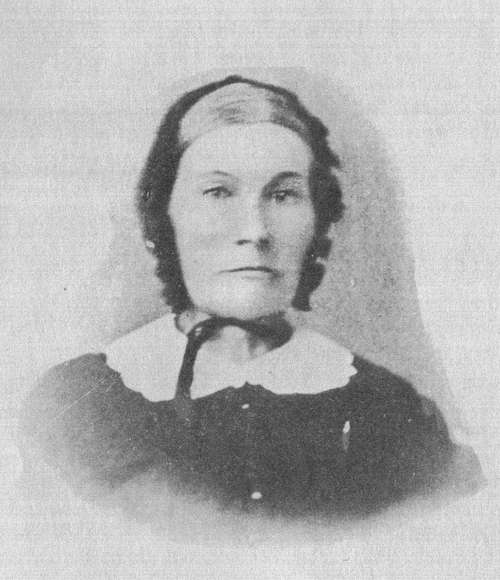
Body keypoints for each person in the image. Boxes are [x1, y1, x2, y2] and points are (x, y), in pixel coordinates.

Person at [18, 74, 483, 521]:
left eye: (283, 195)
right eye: (218, 192)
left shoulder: (390, 414)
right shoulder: (77, 406)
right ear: (164, 216)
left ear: (318, 222)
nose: (255, 231)